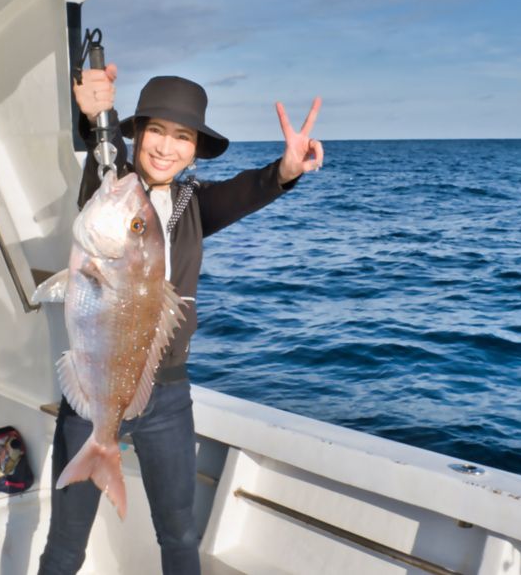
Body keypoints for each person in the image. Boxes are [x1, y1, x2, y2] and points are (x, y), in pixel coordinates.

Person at [38, 63, 323, 575]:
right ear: (138, 134)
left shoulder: (193, 202)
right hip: (94, 392)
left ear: (195, 149)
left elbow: (246, 191)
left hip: (168, 396)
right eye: (156, 132)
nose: (166, 148)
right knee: (65, 544)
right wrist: (98, 115)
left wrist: (285, 171)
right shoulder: (113, 190)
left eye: (182, 137)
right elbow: (105, 157)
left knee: (180, 532)